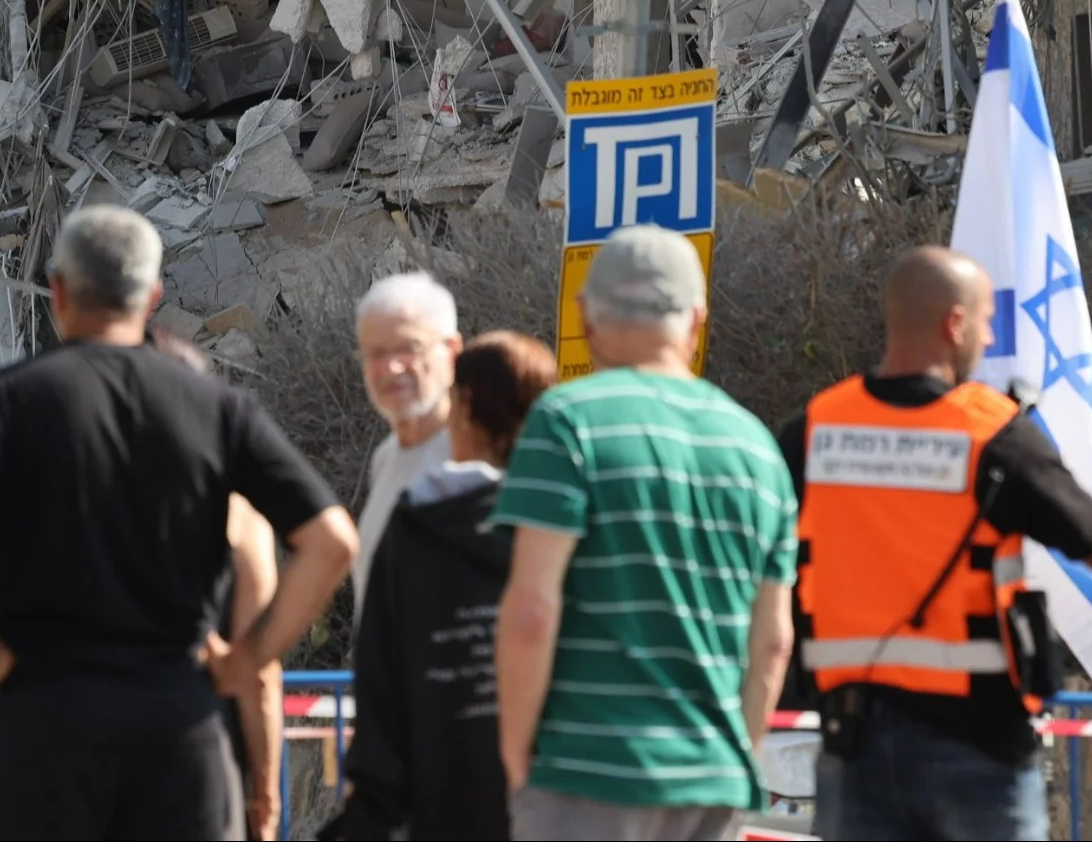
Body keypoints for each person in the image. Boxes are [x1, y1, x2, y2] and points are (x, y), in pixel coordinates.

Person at [0, 204, 359, 840]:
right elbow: (332, 541)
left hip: (41, 732)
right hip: (180, 737)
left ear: (58, 292)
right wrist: (249, 656)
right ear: (152, 299)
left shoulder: (6, 398)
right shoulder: (220, 410)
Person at [781, 246, 1092, 841]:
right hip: (977, 744)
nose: (988, 334)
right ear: (953, 324)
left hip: (853, 743)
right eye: (983, 321)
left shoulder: (815, 429)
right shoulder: (994, 434)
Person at [0, 328, 287, 840]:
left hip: (48, 754)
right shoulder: (240, 516)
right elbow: (259, 674)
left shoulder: (39, 506)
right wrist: (264, 793)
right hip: (186, 757)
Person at [494, 227, 795, 842]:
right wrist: (735, 757)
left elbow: (531, 611)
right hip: (713, 781)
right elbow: (773, 645)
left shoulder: (566, 421)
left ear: (585, 316)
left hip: (586, 774)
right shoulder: (756, 447)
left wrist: (512, 754)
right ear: (697, 319)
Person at [337, 330, 558, 841]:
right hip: (551, 799)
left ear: (461, 409)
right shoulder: (564, 528)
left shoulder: (415, 528)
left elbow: (382, 682)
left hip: (443, 798)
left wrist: (369, 809)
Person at [352, 273, 463, 623]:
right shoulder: (385, 459)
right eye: (376, 353)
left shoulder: (483, 453)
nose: (391, 367)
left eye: (409, 348)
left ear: (452, 352)